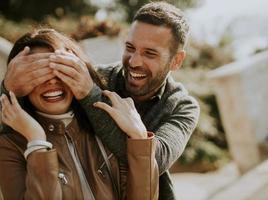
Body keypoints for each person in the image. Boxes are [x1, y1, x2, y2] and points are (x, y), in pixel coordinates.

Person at [2, 2, 200, 199]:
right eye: (130, 47)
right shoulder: (97, 79)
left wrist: (90, 94)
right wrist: (8, 88)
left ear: (176, 60)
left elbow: (156, 160)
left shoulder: (183, 106)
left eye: (150, 53)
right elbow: (34, 115)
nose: (134, 62)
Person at [0, 28, 158, 200]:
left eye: (61, 68)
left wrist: (140, 137)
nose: (52, 80)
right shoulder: (9, 146)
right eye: (38, 73)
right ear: (18, 83)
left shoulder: (105, 129)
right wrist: (37, 141)